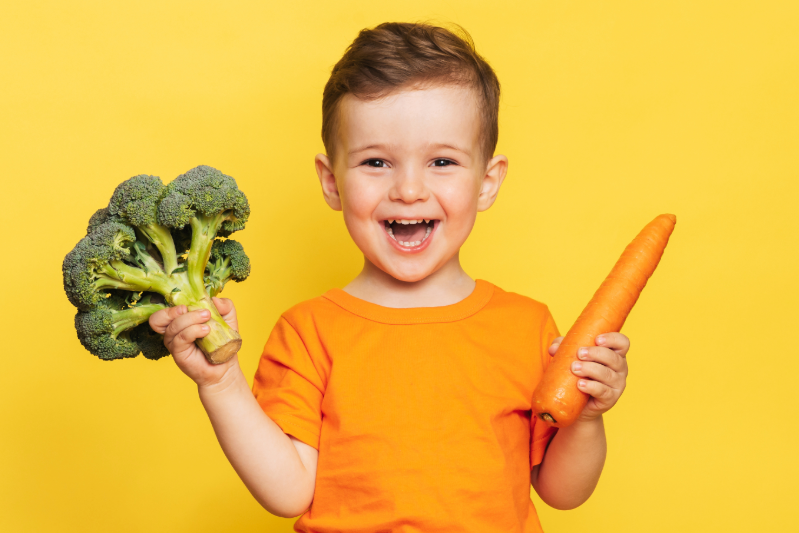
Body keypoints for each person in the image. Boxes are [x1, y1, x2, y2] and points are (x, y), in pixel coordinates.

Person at [149, 22, 630, 533]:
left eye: (442, 161)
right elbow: (287, 492)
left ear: (487, 182)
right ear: (332, 181)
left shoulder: (527, 326)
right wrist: (221, 384)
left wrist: (589, 416)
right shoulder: (309, 332)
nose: (408, 189)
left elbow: (563, 491)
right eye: (376, 162)